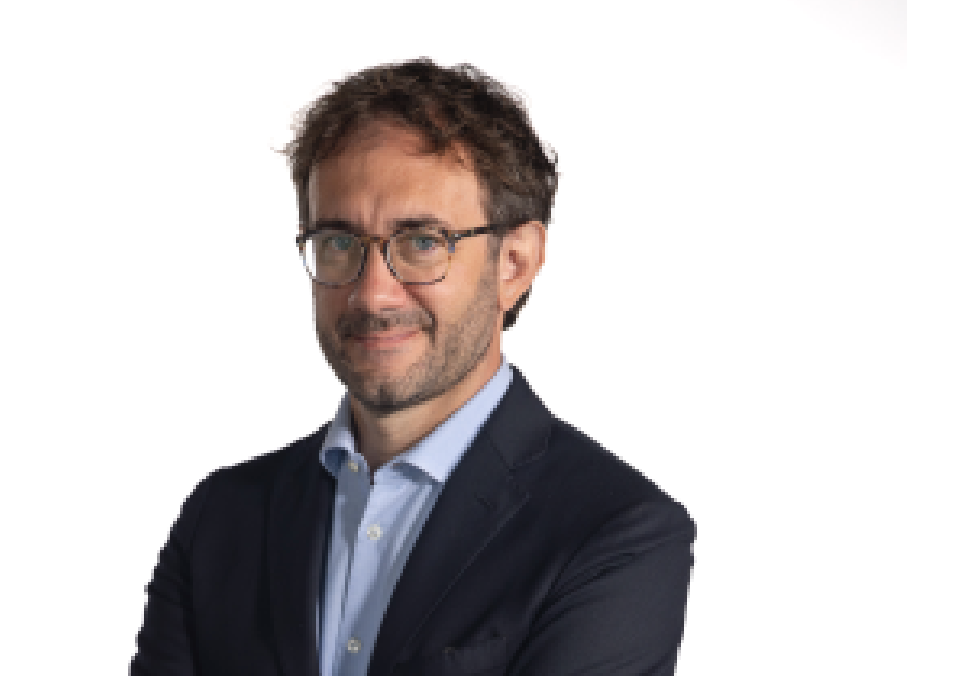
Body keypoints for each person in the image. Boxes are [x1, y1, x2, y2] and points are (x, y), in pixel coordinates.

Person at [130, 58, 695, 676]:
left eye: (423, 242)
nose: (373, 294)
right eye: (339, 242)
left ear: (514, 263)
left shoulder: (615, 533)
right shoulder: (222, 519)